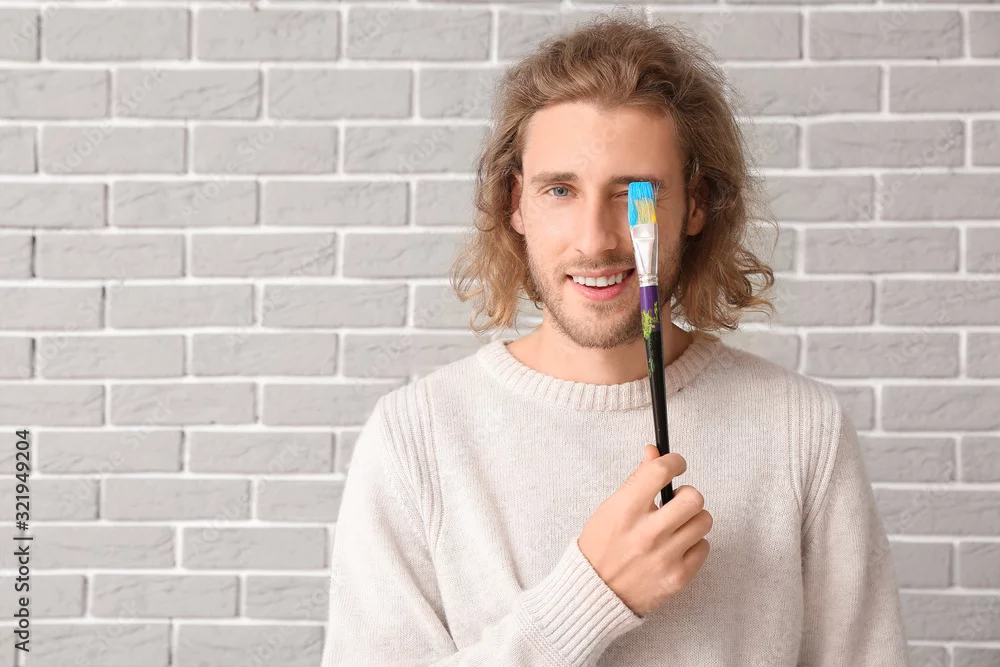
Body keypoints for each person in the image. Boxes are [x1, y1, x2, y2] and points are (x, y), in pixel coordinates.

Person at [321, 11, 909, 667]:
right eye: (560, 190)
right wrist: (592, 595)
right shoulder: (416, 438)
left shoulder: (802, 428)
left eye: (634, 193)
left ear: (695, 204)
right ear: (516, 203)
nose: (596, 239)